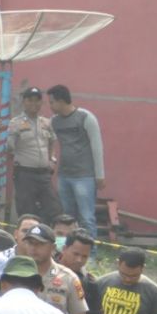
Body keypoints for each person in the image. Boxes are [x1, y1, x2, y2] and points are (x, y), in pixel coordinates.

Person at [48, 85, 106, 240]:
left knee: (87, 217)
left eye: (52, 102)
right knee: (66, 218)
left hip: (84, 176)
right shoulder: (54, 121)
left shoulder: (85, 117)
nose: (50, 106)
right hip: (64, 175)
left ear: (61, 101)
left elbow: (97, 147)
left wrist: (100, 175)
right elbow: (50, 143)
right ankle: (64, 251)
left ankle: (90, 254)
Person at [9, 86, 64, 222]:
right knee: (27, 213)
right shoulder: (15, 123)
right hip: (25, 174)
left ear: (41, 103)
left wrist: (52, 159)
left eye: (37, 100)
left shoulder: (46, 122)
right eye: (30, 100)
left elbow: (52, 143)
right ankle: (27, 242)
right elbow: (10, 148)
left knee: (56, 211)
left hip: (44, 174)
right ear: (24, 102)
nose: (34, 104)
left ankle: (59, 242)